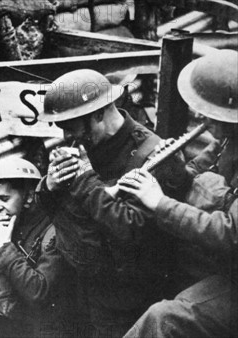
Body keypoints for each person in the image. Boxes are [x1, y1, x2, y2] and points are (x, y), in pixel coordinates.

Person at [35, 69, 190, 335]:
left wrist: (84, 180)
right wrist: (49, 186)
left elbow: (132, 232)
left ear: (98, 115)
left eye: (72, 129)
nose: (68, 139)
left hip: (126, 299)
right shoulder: (87, 145)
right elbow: (60, 211)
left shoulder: (155, 157)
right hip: (82, 282)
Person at [116, 50, 238, 337]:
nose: (204, 122)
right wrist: (175, 169)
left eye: (212, 116)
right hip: (220, 264)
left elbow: (231, 233)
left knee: (163, 319)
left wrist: (160, 203)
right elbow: (197, 172)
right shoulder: (229, 139)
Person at [0, 158, 75, 337]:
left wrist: (3, 246)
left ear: (28, 197)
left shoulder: (53, 230)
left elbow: (38, 292)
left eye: (4, 199)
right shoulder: (8, 222)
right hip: (4, 323)